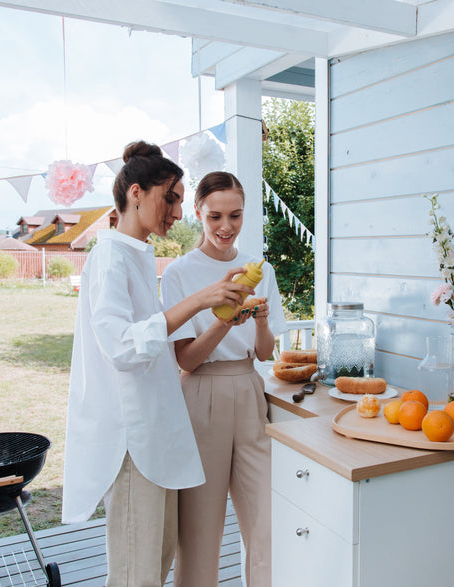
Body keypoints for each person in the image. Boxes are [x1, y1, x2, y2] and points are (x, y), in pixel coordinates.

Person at [61, 143, 254, 587]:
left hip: (153, 435)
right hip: (130, 442)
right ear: (136, 193)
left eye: (182, 201)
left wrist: (216, 310)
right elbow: (122, 348)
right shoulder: (110, 256)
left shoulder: (136, 254)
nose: (178, 211)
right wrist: (197, 301)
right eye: (171, 198)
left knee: (160, 556)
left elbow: (157, 345)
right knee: (137, 573)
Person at [161, 171, 287, 587]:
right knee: (199, 530)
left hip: (251, 391)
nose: (225, 226)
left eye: (235, 215)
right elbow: (187, 361)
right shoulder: (179, 273)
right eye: (215, 215)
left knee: (268, 523)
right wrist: (223, 320)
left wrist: (261, 323)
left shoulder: (258, 268)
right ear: (198, 212)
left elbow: (266, 352)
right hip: (201, 395)